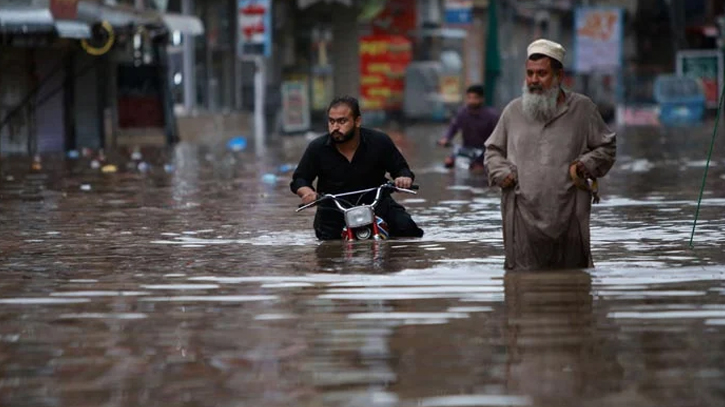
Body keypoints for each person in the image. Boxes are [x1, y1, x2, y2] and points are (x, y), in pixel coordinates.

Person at [484, 39, 616, 270]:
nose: (534, 80)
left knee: (573, 285)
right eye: (530, 73)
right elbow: (493, 151)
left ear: (558, 76)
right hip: (521, 216)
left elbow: (606, 147)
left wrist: (587, 164)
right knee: (522, 287)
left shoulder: (583, 109)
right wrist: (501, 172)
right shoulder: (513, 111)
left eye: (542, 74)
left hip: (569, 214)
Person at [291, 96, 424, 240]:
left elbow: (401, 169)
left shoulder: (379, 141)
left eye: (342, 121)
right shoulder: (317, 148)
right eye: (331, 121)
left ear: (357, 121)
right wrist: (307, 193)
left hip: (377, 204)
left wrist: (403, 178)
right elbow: (300, 178)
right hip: (334, 210)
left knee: (408, 230)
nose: (335, 127)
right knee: (329, 246)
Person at [437, 84, 500, 170]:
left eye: (475, 98)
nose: (471, 101)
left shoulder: (491, 116)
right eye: (469, 98)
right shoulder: (462, 113)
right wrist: (446, 138)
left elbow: (499, 136)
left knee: (478, 170)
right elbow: (453, 127)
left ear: (482, 99)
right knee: (448, 163)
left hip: (484, 151)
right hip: (466, 149)